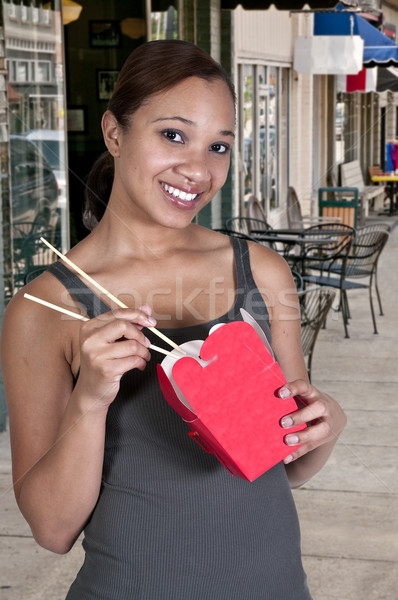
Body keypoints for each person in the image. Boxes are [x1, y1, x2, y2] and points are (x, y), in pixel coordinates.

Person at [1, 40, 347, 599]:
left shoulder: (260, 274)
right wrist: (90, 399)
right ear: (115, 133)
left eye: (219, 146)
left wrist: (324, 425)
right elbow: (52, 529)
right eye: (173, 135)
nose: (197, 169)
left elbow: (281, 468)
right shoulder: (45, 307)